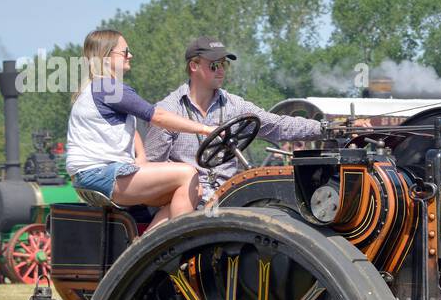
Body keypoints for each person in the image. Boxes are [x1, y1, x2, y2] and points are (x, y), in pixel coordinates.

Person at [143, 36, 355, 202]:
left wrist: (326, 127)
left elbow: (279, 125)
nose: (222, 71)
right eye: (214, 65)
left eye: (224, 64)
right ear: (194, 66)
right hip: (189, 204)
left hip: (232, 197)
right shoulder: (167, 112)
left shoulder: (235, 106)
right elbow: (153, 172)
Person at [65, 29, 216, 231]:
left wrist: (142, 157)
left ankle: (145, 250)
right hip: (99, 174)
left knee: (193, 191)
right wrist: (206, 129)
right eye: (125, 51)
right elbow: (157, 117)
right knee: (187, 173)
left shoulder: (96, 88)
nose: (130, 55)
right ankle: (181, 248)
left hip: (91, 175)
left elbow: (127, 129)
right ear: (106, 56)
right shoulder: (108, 88)